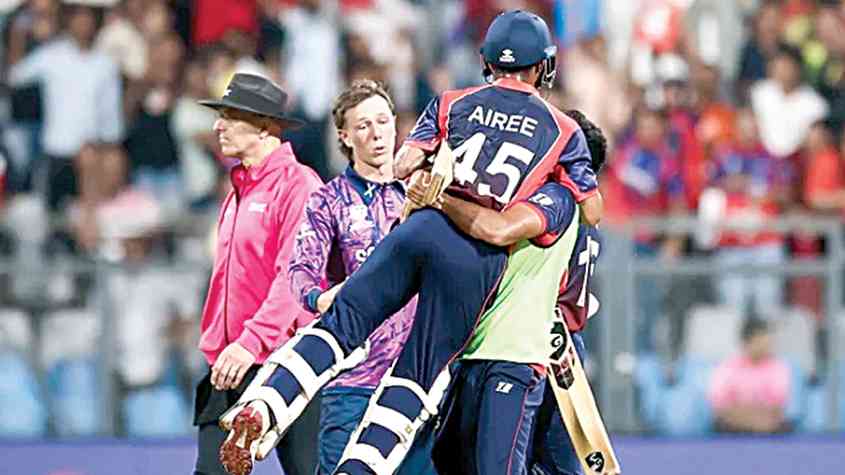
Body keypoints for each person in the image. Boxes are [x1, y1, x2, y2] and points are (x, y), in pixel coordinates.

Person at [218, 10, 601, 475]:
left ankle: (264, 405)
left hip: (420, 227)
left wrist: (432, 186)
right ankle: (359, 469)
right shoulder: (564, 131)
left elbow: (402, 166)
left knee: (338, 326)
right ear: (543, 65)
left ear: (486, 60)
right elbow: (590, 209)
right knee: (416, 376)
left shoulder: (451, 101)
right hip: (473, 262)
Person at [409, 110, 606, 474]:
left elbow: (497, 231)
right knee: (550, 465)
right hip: (564, 348)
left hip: (534, 341)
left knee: (493, 459)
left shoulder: (550, 207)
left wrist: (440, 198)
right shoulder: (586, 221)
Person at [285, 80, 432, 474]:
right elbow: (299, 270)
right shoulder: (328, 200)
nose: (376, 133)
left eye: (383, 121)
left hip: (418, 382)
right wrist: (320, 298)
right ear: (344, 136)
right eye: (363, 125)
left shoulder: (424, 195)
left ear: (397, 125)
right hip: (354, 383)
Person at [193, 73, 323, 475]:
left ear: (265, 127)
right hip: (232, 362)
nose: (219, 126)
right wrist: (219, 345)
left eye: (230, 116)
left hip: (288, 362)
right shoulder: (236, 191)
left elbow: (294, 280)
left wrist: (249, 343)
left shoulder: (299, 185)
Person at [707, 318, 791, 433]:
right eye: (760, 341)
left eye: (768, 341)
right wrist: (752, 422)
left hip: (767, 423)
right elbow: (720, 407)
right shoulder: (727, 367)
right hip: (733, 424)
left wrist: (757, 420)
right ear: (747, 342)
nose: (766, 345)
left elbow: (777, 408)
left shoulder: (778, 368)